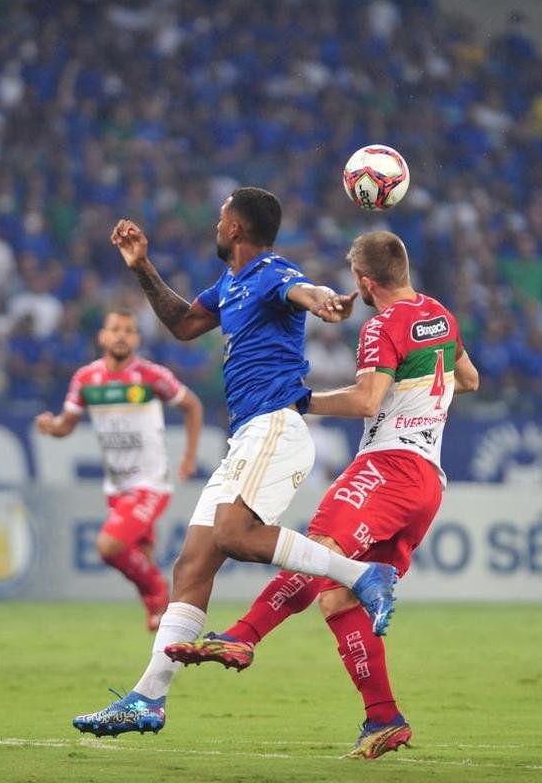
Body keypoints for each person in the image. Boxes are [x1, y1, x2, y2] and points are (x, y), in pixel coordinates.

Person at [73, 187, 397, 737]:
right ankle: (148, 699)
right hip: (246, 437)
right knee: (192, 566)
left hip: (275, 425)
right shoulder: (228, 285)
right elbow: (182, 323)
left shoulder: (272, 270)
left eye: (222, 216)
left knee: (233, 534)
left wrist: (322, 300)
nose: (216, 224)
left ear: (237, 228)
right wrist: (141, 265)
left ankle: (363, 574)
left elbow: (302, 290)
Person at [165, 231, 479, 759]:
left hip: (388, 468)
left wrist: (301, 401)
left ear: (364, 281)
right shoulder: (439, 314)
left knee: (322, 551)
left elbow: (365, 400)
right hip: (427, 480)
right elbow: (467, 378)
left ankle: (243, 635)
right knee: (337, 594)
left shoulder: (381, 326)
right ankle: (383, 718)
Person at [35, 308, 204, 631]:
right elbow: (66, 425)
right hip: (117, 486)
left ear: (137, 339)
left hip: (151, 483)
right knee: (141, 554)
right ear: (103, 336)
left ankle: (158, 592)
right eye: (115, 329)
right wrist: (50, 426)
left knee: (108, 546)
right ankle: (161, 624)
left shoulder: (152, 376)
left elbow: (192, 405)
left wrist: (188, 457)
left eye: (129, 330)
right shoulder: (86, 379)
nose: (122, 335)